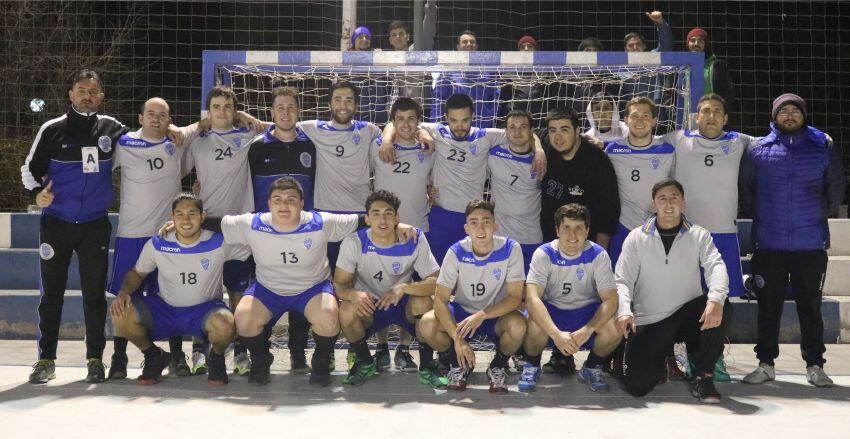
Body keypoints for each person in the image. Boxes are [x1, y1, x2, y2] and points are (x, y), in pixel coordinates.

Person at [220, 177, 416, 387]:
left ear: (302, 203)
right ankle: (261, 359)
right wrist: (178, 223)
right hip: (268, 289)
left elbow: (361, 220)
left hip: (312, 289)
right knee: (242, 318)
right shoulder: (252, 223)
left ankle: (321, 360)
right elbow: (212, 224)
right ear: (268, 204)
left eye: (291, 200)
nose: (284, 205)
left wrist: (396, 224)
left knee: (329, 316)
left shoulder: (320, 222)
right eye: (277, 200)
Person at [22, 70, 130, 384]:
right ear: (70, 94)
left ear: (102, 96)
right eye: (81, 90)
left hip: (95, 226)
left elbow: (145, 141)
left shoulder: (113, 129)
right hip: (56, 224)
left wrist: (178, 131)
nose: (87, 96)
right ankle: (46, 359)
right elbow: (29, 169)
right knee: (51, 293)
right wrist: (36, 194)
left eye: (93, 91)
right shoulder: (51, 129)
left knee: (94, 295)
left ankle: (95, 359)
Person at [739, 93, 845, 388]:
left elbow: (836, 187)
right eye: (783, 110)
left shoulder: (822, 145)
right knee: (768, 307)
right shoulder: (758, 149)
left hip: (810, 244)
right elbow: (746, 190)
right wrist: (764, 215)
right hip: (768, 244)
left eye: (794, 111)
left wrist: (815, 214)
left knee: (810, 307)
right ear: (774, 116)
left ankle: (815, 365)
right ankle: (765, 364)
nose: (789, 115)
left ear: (803, 115)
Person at [380, 93, 546, 264]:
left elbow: (523, 133)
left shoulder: (486, 136)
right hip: (441, 216)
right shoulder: (437, 132)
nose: (459, 126)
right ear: (446, 118)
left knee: (469, 271)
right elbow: (395, 125)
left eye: (465, 120)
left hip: (473, 219)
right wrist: (388, 139)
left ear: (473, 116)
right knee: (437, 269)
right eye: (453, 120)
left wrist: (539, 150)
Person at [662, 93, 756, 380]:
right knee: (684, 299)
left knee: (719, 302)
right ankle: (685, 356)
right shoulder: (677, 139)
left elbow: (779, 141)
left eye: (717, 111)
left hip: (724, 235)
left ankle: (713, 358)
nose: (711, 116)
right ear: (696, 116)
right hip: (685, 236)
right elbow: (636, 138)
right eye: (705, 111)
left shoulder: (739, 142)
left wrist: (818, 136)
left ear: (725, 118)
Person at [109, 193, 248, 386]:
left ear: (202, 216)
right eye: (180, 214)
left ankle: (216, 359)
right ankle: (154, 355)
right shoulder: (158, 243)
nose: (186, 219)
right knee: (119, 313)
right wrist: (124, 292)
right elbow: (137, 273)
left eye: (192, 213)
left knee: (226, 322)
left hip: (204, 311)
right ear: (172, 218)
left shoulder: (219, 242)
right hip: (166, 310)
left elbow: (252, 241)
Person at [615, 179, 730, 403]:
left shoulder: (699, 235)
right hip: (652, 321)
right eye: (662, 199)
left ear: (683, 204)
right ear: (653, 205)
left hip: (688, 317)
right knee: (637, 387)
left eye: (674, 198)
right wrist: (624, 311)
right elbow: (622, 280)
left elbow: (716, 266)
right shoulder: (636, 237)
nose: (669, 204)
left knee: (723, 306)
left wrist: (716, 299)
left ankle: (703, 375)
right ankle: (662, 358)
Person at [106, 98, 196, 380]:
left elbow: (203, 127)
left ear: (170, 120)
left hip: (166, 235)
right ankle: (119, 358)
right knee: (124, 295)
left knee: (170, 295)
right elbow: (97, 170)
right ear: (140, 117)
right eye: (151, 114)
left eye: (163, 115)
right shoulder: (125, 144)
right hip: (131, 234)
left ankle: (177, 355)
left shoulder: (178, 142)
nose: (156, 119)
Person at [183, 85, 261, 377]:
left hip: (239, 225)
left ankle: (240, 351)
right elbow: (176, 164)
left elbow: (277, 126)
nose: (222, 112)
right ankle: (199, 350)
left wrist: (245, 115)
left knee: (238, 292)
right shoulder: (197, 141)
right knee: (203, 290)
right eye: (216, 107)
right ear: (209, 111)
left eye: (228, 107)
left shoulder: (247, 136)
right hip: (207, 223)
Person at [334, 190, 445, 387]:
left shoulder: (413, 238)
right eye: (376, 213)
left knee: (423, 300)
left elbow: (436, 281)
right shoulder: (354, 242)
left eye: (388, 213)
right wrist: (355, 294)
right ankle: (365, 362)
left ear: (397, 218)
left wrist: (403, 287)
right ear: (367, 219)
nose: (383, 219)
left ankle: (427, 367)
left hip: (402, 305)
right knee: (345, 310)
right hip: (370, 307)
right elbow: (339, 286)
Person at [416, 200, 527, 393]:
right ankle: (458, 364)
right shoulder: (456, 251)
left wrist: (482, 314)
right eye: (474, 222)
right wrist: (457, 339)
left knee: (518, 325)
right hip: (462, 313)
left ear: (495, 225)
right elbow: (440, 300)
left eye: (486, 221)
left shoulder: (511, 249)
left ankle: (497, 366)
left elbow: (515, 298)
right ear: (467, 228)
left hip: (495, 314)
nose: (481, 227)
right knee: (427, 323)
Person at [245, 86, 316, 374]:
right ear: (271, 113)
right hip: (266, 236)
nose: (286, 112)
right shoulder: (257, 146)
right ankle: (260, 354)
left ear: (298, 112)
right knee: (266, 294)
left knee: (302, 290)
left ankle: (298, 353)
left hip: (302, 233)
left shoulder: (310, 145)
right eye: (280, 108)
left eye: (291, 107)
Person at [518, 204, 621, 393]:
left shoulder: (598, 254)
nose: (573, 236)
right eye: (567, 228)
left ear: (587, 231)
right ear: (557, 230)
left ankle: (592, 367)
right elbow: (532, 298)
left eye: (579, 228)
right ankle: (531, 365)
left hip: (585, 312)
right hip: (553, 311)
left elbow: (611, 299)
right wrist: (556, 334)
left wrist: (588, 329)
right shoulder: (544, 253)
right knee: (534, 321)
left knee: (615, 328)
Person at [604, 97, 674, 265]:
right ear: (626, 120)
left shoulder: (668, 151)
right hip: (622, 228)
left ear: (654, 121)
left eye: (646, 116)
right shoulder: (613, 150)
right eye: (634, 116)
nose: (640, 121)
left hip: (657, 228)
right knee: (619, 284)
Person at [486, 109, 542, 269]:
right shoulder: (493, 154)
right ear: (506, 132)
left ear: (531, 131)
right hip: (501, 237)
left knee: (529, 288)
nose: (517, 132)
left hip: (532, 237)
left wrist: (538, 148)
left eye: (523, 127)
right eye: (512, 127)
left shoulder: (542, 161)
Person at [430, 30, 501, 128]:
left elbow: (496, 98)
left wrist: (488, 119)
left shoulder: (488, 71)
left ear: (476, 47)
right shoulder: (448, 72)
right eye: (465, 42)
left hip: (481, 126)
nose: (469, 44)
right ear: (458, 47)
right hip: (454, 127)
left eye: (472, 42)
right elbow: (438, 99)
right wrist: (436, 125)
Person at [686, 28, 735, 118]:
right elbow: (668, 92)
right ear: (688, 43)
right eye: (693, 41)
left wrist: (722, 112)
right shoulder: (680, 67)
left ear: (706, 44)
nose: (696, 44)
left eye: (700, 41)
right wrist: (674, 114)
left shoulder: (717, 65)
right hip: (684, 118)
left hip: (711, 117)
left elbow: (728, 93)